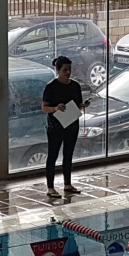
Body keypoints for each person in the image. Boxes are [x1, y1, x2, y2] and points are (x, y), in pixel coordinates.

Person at [41, 56, 90, 198]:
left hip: (71, 125)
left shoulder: (75, 86)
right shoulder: (51, 87)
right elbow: (44, 108)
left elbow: (77, 104)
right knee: (53, 155)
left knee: (68, 155)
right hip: (55, 126)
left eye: (69, 69)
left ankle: (67, 184)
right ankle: (50, 187)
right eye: (65, 70)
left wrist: (83, 105)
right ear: (58, 70)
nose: (68, 72)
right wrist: (56, 108)